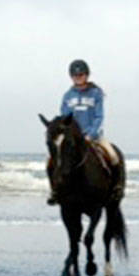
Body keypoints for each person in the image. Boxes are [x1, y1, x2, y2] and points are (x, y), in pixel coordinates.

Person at [46, 59, 123, 204]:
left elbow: (99, 116)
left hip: (93, 136)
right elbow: (65, 119)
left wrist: (91, 134)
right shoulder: (68, 96)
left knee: (113, 156)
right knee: (50, 161)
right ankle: (55, 190)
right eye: (75, 76)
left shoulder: (96, 93)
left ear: (87, 75)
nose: (78, 78)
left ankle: (116, 187)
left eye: (81, 75)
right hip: (72, 138)